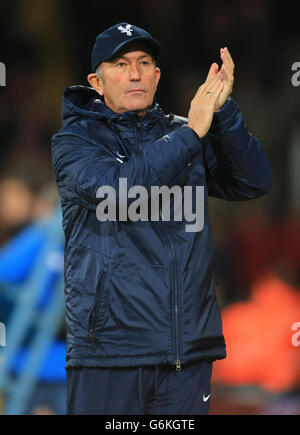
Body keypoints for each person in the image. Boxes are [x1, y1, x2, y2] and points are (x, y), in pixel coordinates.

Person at [51, 23, 272, 415]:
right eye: (120, 64)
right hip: (110, 353)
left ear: (157, 76)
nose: (134, 73)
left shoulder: (186, 131)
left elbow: (253, 182)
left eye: (144, 62)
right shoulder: (75, 142)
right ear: (96, 82)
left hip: (186, 354)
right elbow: (115, 192)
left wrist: (222, 112)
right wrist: (192, 135)